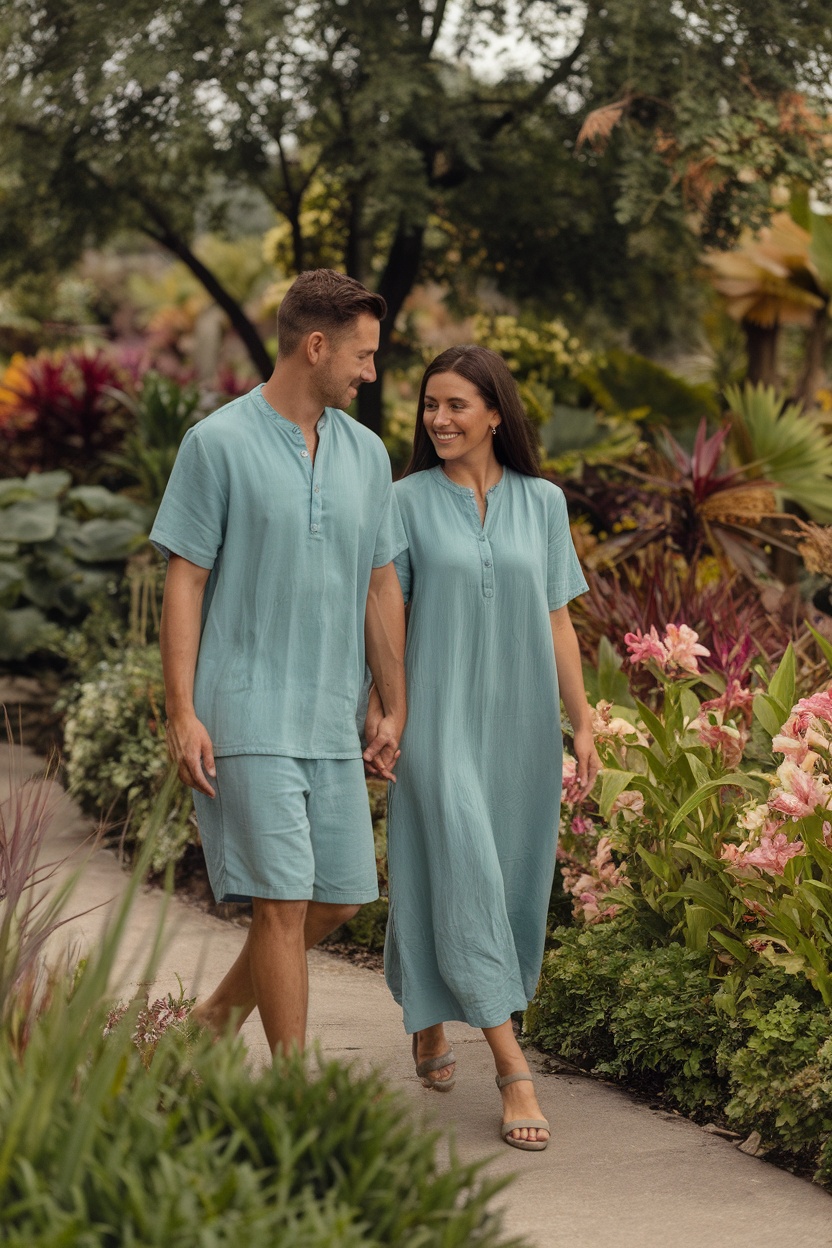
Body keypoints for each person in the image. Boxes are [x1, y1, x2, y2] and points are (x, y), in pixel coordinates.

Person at [150, 269, 407, 1057]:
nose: (370, 372)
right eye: (361, 356)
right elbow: (185, 581)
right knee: (284, 904)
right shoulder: (217, 442)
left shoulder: (366, 453)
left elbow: (379, 582)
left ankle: (208, 1027)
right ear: (316, 345)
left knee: (339, 901)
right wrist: (183, 709)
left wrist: (393, 704)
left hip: (333, 716)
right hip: (248, 712)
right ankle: (294, 1102)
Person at [367, 344, 599, 1151]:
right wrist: (389, 710)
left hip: (520, 726)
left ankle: (427, 1012)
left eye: (457, 405)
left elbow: (556, 617)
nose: (439, 420)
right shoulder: (401, 501)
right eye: (430, 406)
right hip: (435, 718)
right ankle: (513, 1069)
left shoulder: (544, 503)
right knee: (462, 861)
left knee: (494, 882)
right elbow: (386, 613)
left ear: (496, 412)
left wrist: (585, 720)